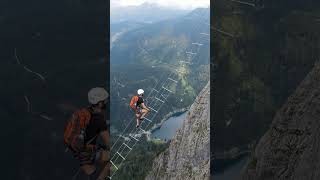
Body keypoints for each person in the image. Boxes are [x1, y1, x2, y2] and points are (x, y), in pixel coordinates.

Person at [64, 87, 110, 180]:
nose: (106, 102)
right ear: (100, 103)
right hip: (87, 153)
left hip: (78, 151)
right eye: (105, 101)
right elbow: (109, 143)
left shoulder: (84, 113)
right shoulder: (99, 119)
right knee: (114, 157)